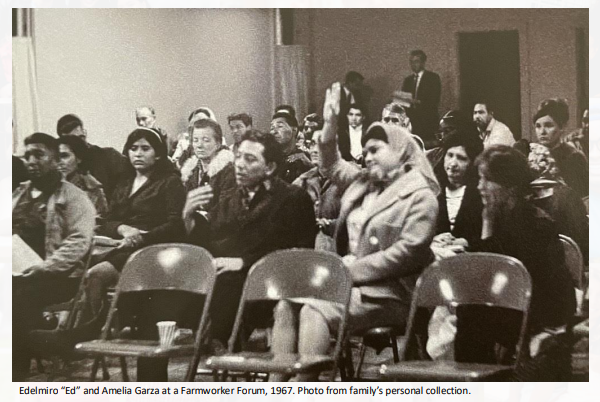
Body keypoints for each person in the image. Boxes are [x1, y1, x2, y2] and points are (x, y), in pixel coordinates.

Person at [269, 82, 439, 381]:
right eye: (366, 150)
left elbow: (407, 253)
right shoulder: (364, 181)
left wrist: (350, 270)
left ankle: (305, 390)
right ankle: (277, 387)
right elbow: (330, 162)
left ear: (399, 152)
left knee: (313, 309)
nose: (367, 155)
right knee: (286, 303)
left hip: (391, 295)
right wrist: (331, 122)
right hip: (350, 286)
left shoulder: (420, 196)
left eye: (375, 150)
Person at [183, 130, 316, 347]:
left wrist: (244, 262)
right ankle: (215, 348)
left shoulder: (293, 198)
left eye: (250, 159)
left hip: (275, 282)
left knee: (223, 289)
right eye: (238, 156)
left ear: (270, 167)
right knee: (183, 285)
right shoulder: (232, 198)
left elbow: (296, 253)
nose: (240, 164)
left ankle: (220, 348)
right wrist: (189, 217)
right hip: (232, 281)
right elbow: (213, 239)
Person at [463, 145, 576, 380]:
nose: (479, 186)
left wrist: (487, 226)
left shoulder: (535, 226)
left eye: (487, 180)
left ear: (510, 187)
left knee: (470, 312)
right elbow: (484, 274)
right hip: (509, 310)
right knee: (466, 308)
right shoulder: (496, 216)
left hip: (536, 313)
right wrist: (486, 223)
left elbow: (501, 276)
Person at [12, 133, 95, 380]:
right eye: (27, 155)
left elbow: (78, 243)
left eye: (38, 154)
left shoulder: (75, 197)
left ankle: (16, 374)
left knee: (17, 299)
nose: (31, 161)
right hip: (19, 272)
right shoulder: (17, 194)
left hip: (61, 277)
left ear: (55, 159)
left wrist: (46, 267)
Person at [526, 142, 589, 265]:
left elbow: (579, 239)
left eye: (535, 162)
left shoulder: (566, 197)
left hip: (566, 263)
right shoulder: (528, 199)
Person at [433, 129, 484, 250]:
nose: (453, 163)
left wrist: (466, 242)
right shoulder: (432, 190)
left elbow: (490, 239)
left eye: (461, 158)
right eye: (450, 155)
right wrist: (433, 240)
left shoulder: (481, 193)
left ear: (472, 163)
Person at [56, 114, 128, 200]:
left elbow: (131, 181)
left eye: (81, 138)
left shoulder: (109, 155)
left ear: (84, 132)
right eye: (73, 141)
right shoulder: (61, 166)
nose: (80, 144)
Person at [292, 131, 342, 252]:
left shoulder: (350, 180)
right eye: (313, 144)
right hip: (308, 253)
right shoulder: (302, 181)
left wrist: (326, 225)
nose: (314, 150)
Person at [534, 98, 588, 199]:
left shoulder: (574, 157)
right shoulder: (532, 154)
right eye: (538, 126)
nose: (542, 132)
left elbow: (581, 198)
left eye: (548, 125)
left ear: (562, 127)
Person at [180, 119, 236, 214]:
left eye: (206, 140)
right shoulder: (190, 171)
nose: (199, 145)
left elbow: (225, 211)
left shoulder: (229, 171)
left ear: (218, 144)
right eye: (195, 140)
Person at [57, 135, 109, 221]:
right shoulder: (45, 188)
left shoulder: (93, 190)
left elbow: (100, 223)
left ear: (79, 158)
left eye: (64, 156)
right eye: (56, 157)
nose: (59, 162)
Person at [401, 50, 441, 145]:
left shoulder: (433, 78)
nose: (413, 64)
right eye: (411, 62)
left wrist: (417, 102)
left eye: (416, 61)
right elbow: (404, 100)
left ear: (423, 62)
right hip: (412, 120)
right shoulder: (408, 80)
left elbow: (435, 99)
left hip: (427, 120)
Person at [269, 111, 313, 183]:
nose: (274, 131)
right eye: (272, 128)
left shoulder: (306, 158)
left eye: (280, 126)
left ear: (294, 130)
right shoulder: (269, 159)